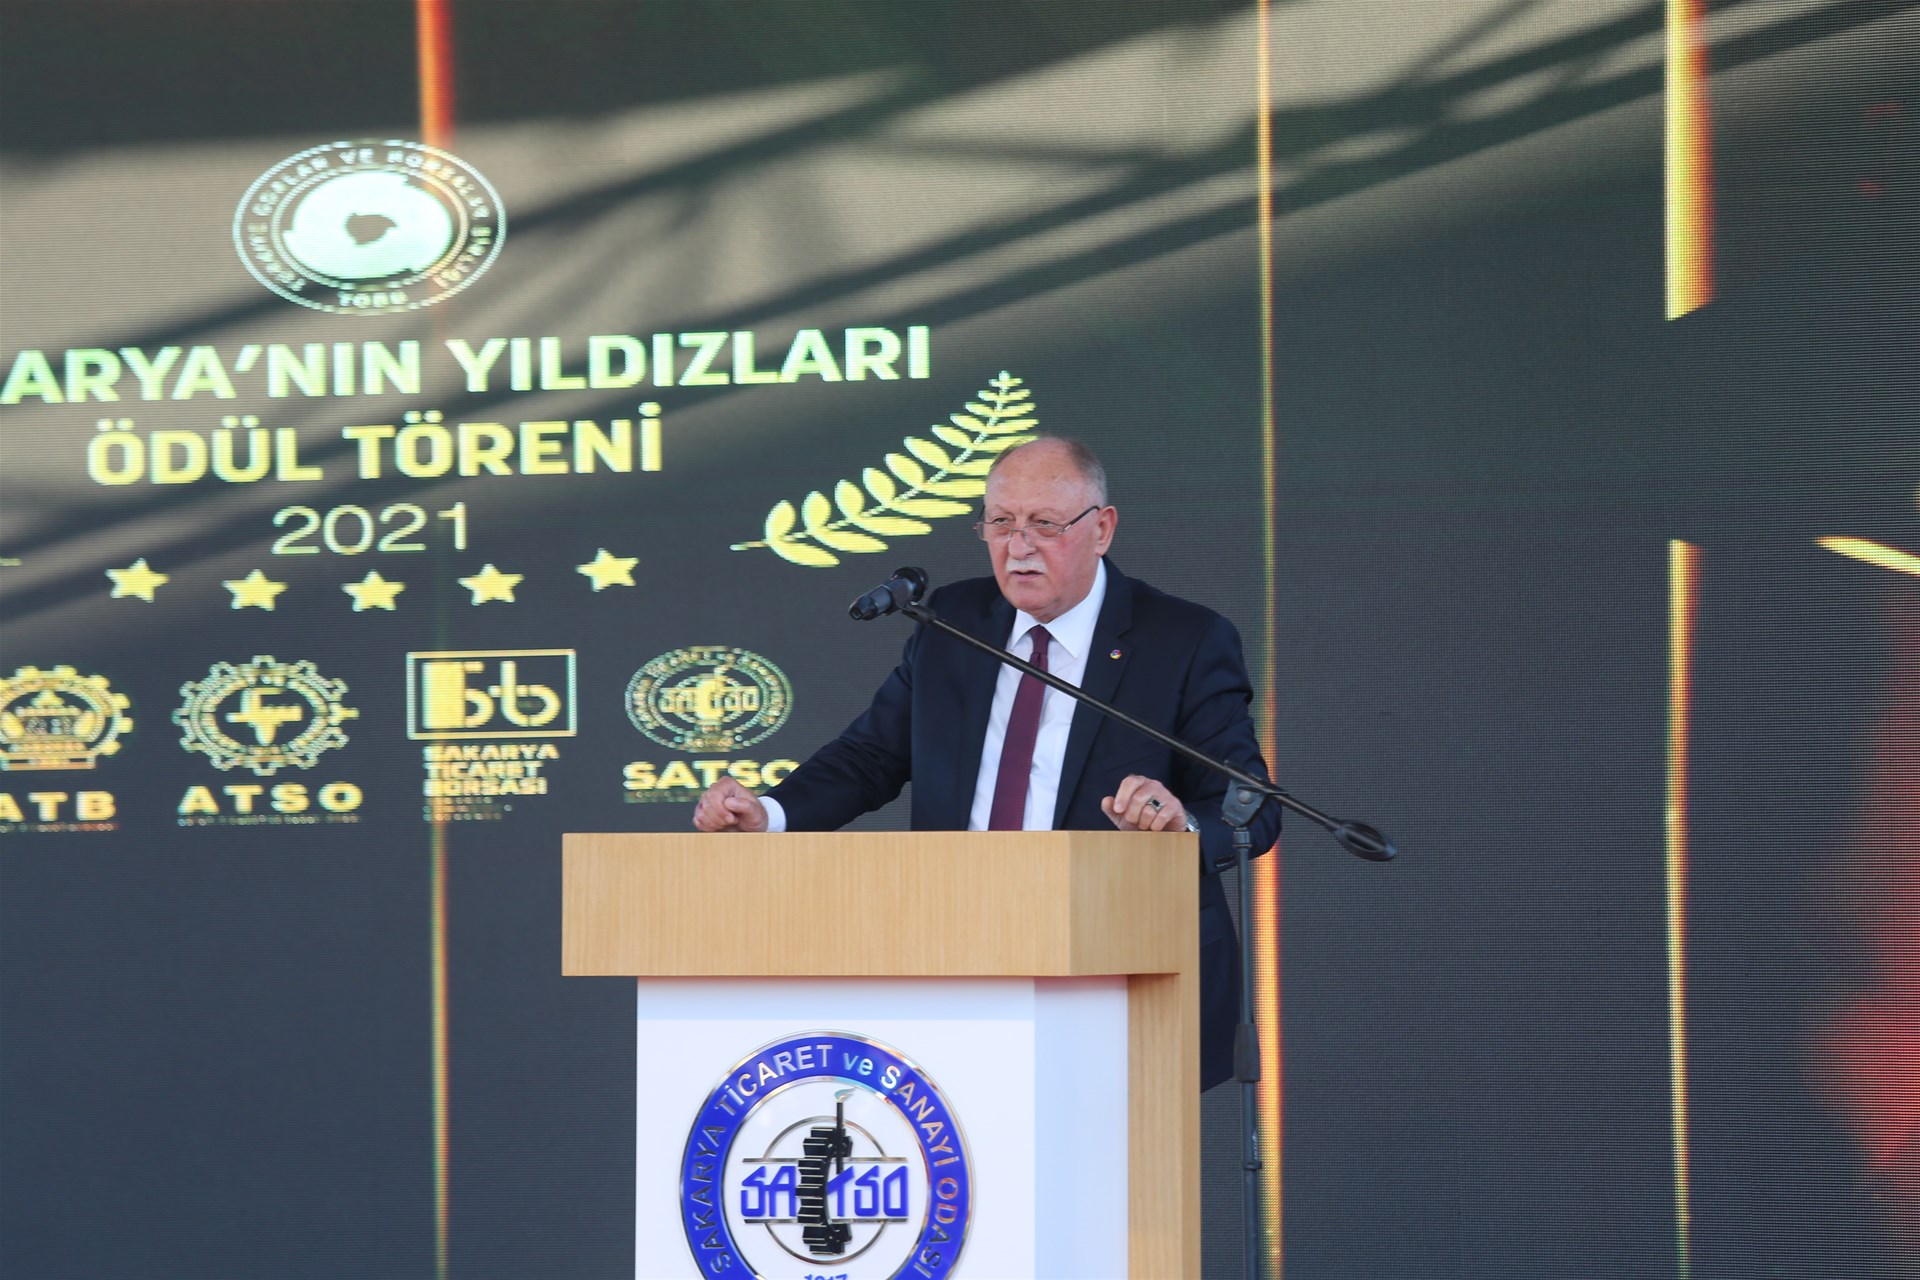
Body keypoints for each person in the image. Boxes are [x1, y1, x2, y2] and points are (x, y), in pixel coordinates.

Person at [693, 436, 1279, 1089]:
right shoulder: (954, 621)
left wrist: (1179, 829)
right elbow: (871, 755)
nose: (1018, 546)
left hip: (1117, 960)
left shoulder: (1183, 639)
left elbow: (1250, 805)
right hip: (959, 951)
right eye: (1000, 522)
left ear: (1102, 529)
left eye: (1045, 525)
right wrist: (770, 814)